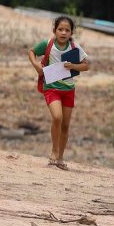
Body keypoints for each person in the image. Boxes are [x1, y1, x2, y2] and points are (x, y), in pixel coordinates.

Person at [26, 15, 89, 170]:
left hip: (68, 90)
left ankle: (60, 158)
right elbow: (32, 52)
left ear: (71, 32)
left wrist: (73, 66)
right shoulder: (48, 44)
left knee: (65, 125)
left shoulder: (75, 47)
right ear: (54, 30)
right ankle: (53, 153)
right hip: (51, 88)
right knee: (57, 117)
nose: (63, 32)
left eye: (67, 30)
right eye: (60, 29)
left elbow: (86, 65)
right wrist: (36, 65)